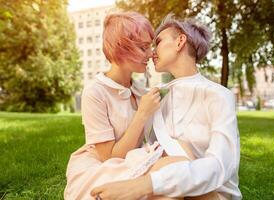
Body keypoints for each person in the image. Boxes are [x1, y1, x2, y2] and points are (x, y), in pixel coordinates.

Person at [91, 14, 242, 200]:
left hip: (210, 194)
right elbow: (148, 153)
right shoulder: (155, 96)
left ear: (180, 42)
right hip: (166, 188)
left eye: (158, 42)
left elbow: (221, 165)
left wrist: (145, 184)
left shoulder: (219, 96)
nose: (151, 52)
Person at [64, 12, 165, 200]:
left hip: (133, 159)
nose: (151, 54)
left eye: (150, 46)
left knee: (172, 184)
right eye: (143, 47)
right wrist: (142, 113)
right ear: (122, 49)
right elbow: (109, 158)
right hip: (102, 167)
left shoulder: (141, 90)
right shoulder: (95, 92)